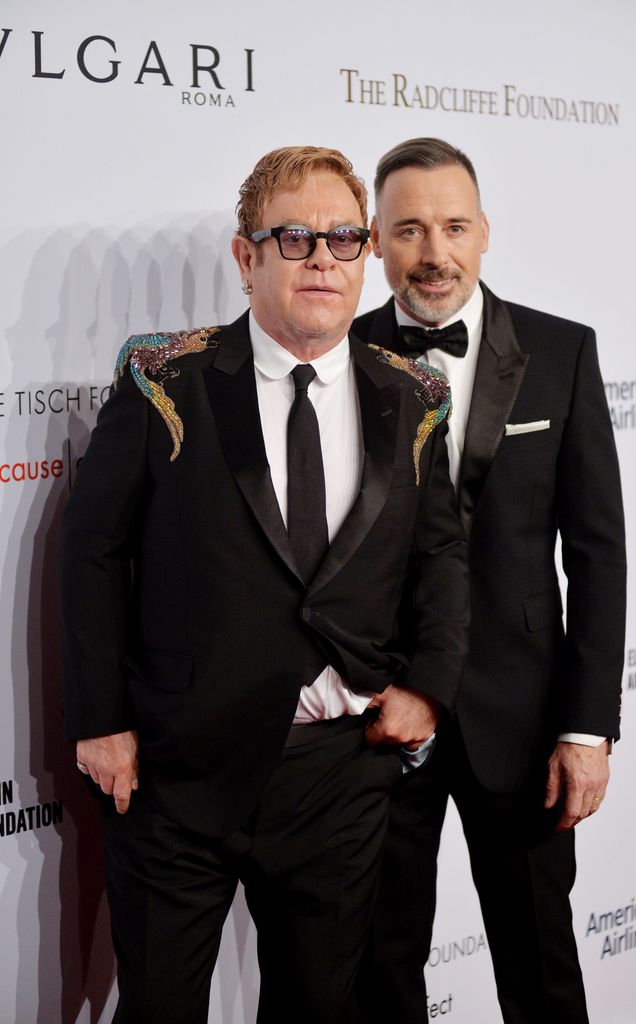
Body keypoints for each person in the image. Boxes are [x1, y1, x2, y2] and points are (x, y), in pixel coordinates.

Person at [59, 145, 469, 1024]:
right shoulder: (165, 377)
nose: (322, 258)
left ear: (366, 258)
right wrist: (100, 719)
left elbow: (440, 556)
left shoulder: (414, 394)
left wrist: (429, 688)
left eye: (343, 239)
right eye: (294, 237)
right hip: (176, 769)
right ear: (245, 258)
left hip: (339, 775)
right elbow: (92, 552)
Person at [353, 137, 626, 1024]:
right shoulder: (338, 355)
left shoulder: (561, 353)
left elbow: (597, 554)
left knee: (540, 965)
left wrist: (587, 727)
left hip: (524, 718)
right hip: (378, 715)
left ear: (484, 233)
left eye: (453, 226)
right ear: (374, 241)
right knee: (377, 965)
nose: (433, 253)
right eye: (408, 230)